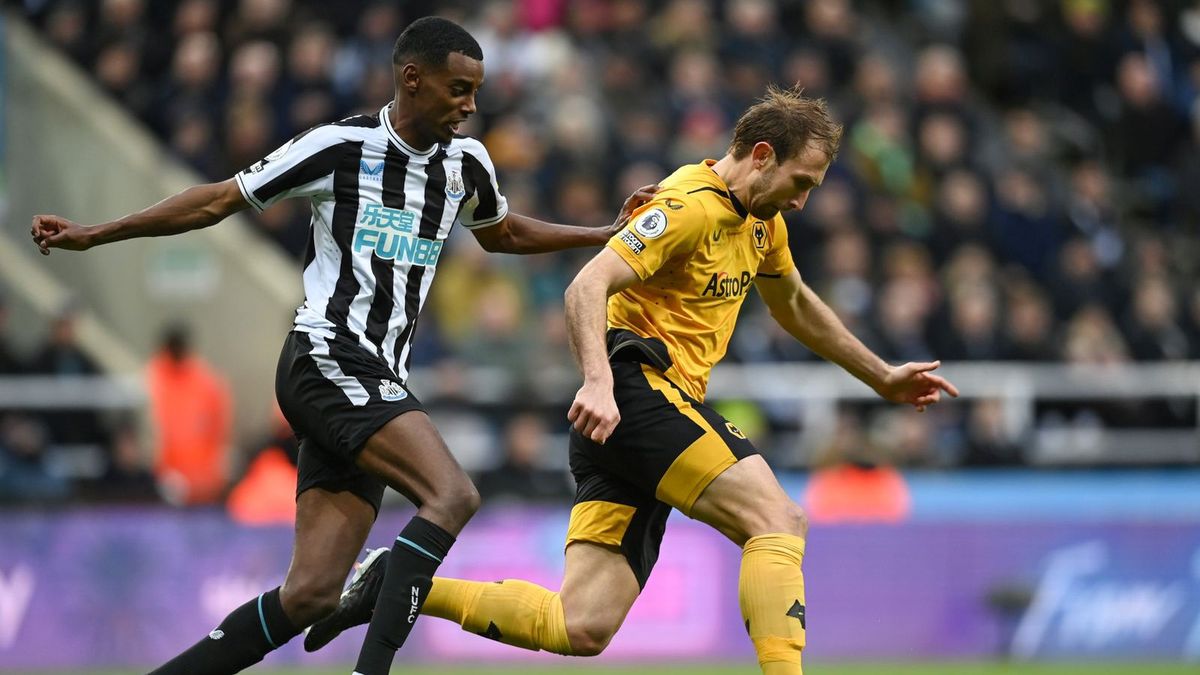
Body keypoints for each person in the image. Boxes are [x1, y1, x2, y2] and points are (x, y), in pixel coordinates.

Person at [31, 16, 654, 675]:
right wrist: (95, 234)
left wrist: (604, 235)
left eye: (476, 90)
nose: (471, 105)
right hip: (325, 358)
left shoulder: (466, 164)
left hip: (374, 381)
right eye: (457, 89)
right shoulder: (340, 147)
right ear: (412, 80)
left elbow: (502, 234)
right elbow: (218, 201)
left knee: (311, 593)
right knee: (453, 494)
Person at [304, 86, 959, 673]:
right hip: (636, 390)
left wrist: (880, 374)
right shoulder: (687, 207)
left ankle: (395, 576)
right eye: (801, 180)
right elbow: (587, 284)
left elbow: (792, 303)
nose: (804, 198)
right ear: (762, 154)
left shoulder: (763, 224)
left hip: (633, 424)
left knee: (580, 624)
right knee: (778, 519)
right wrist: (596, 380)